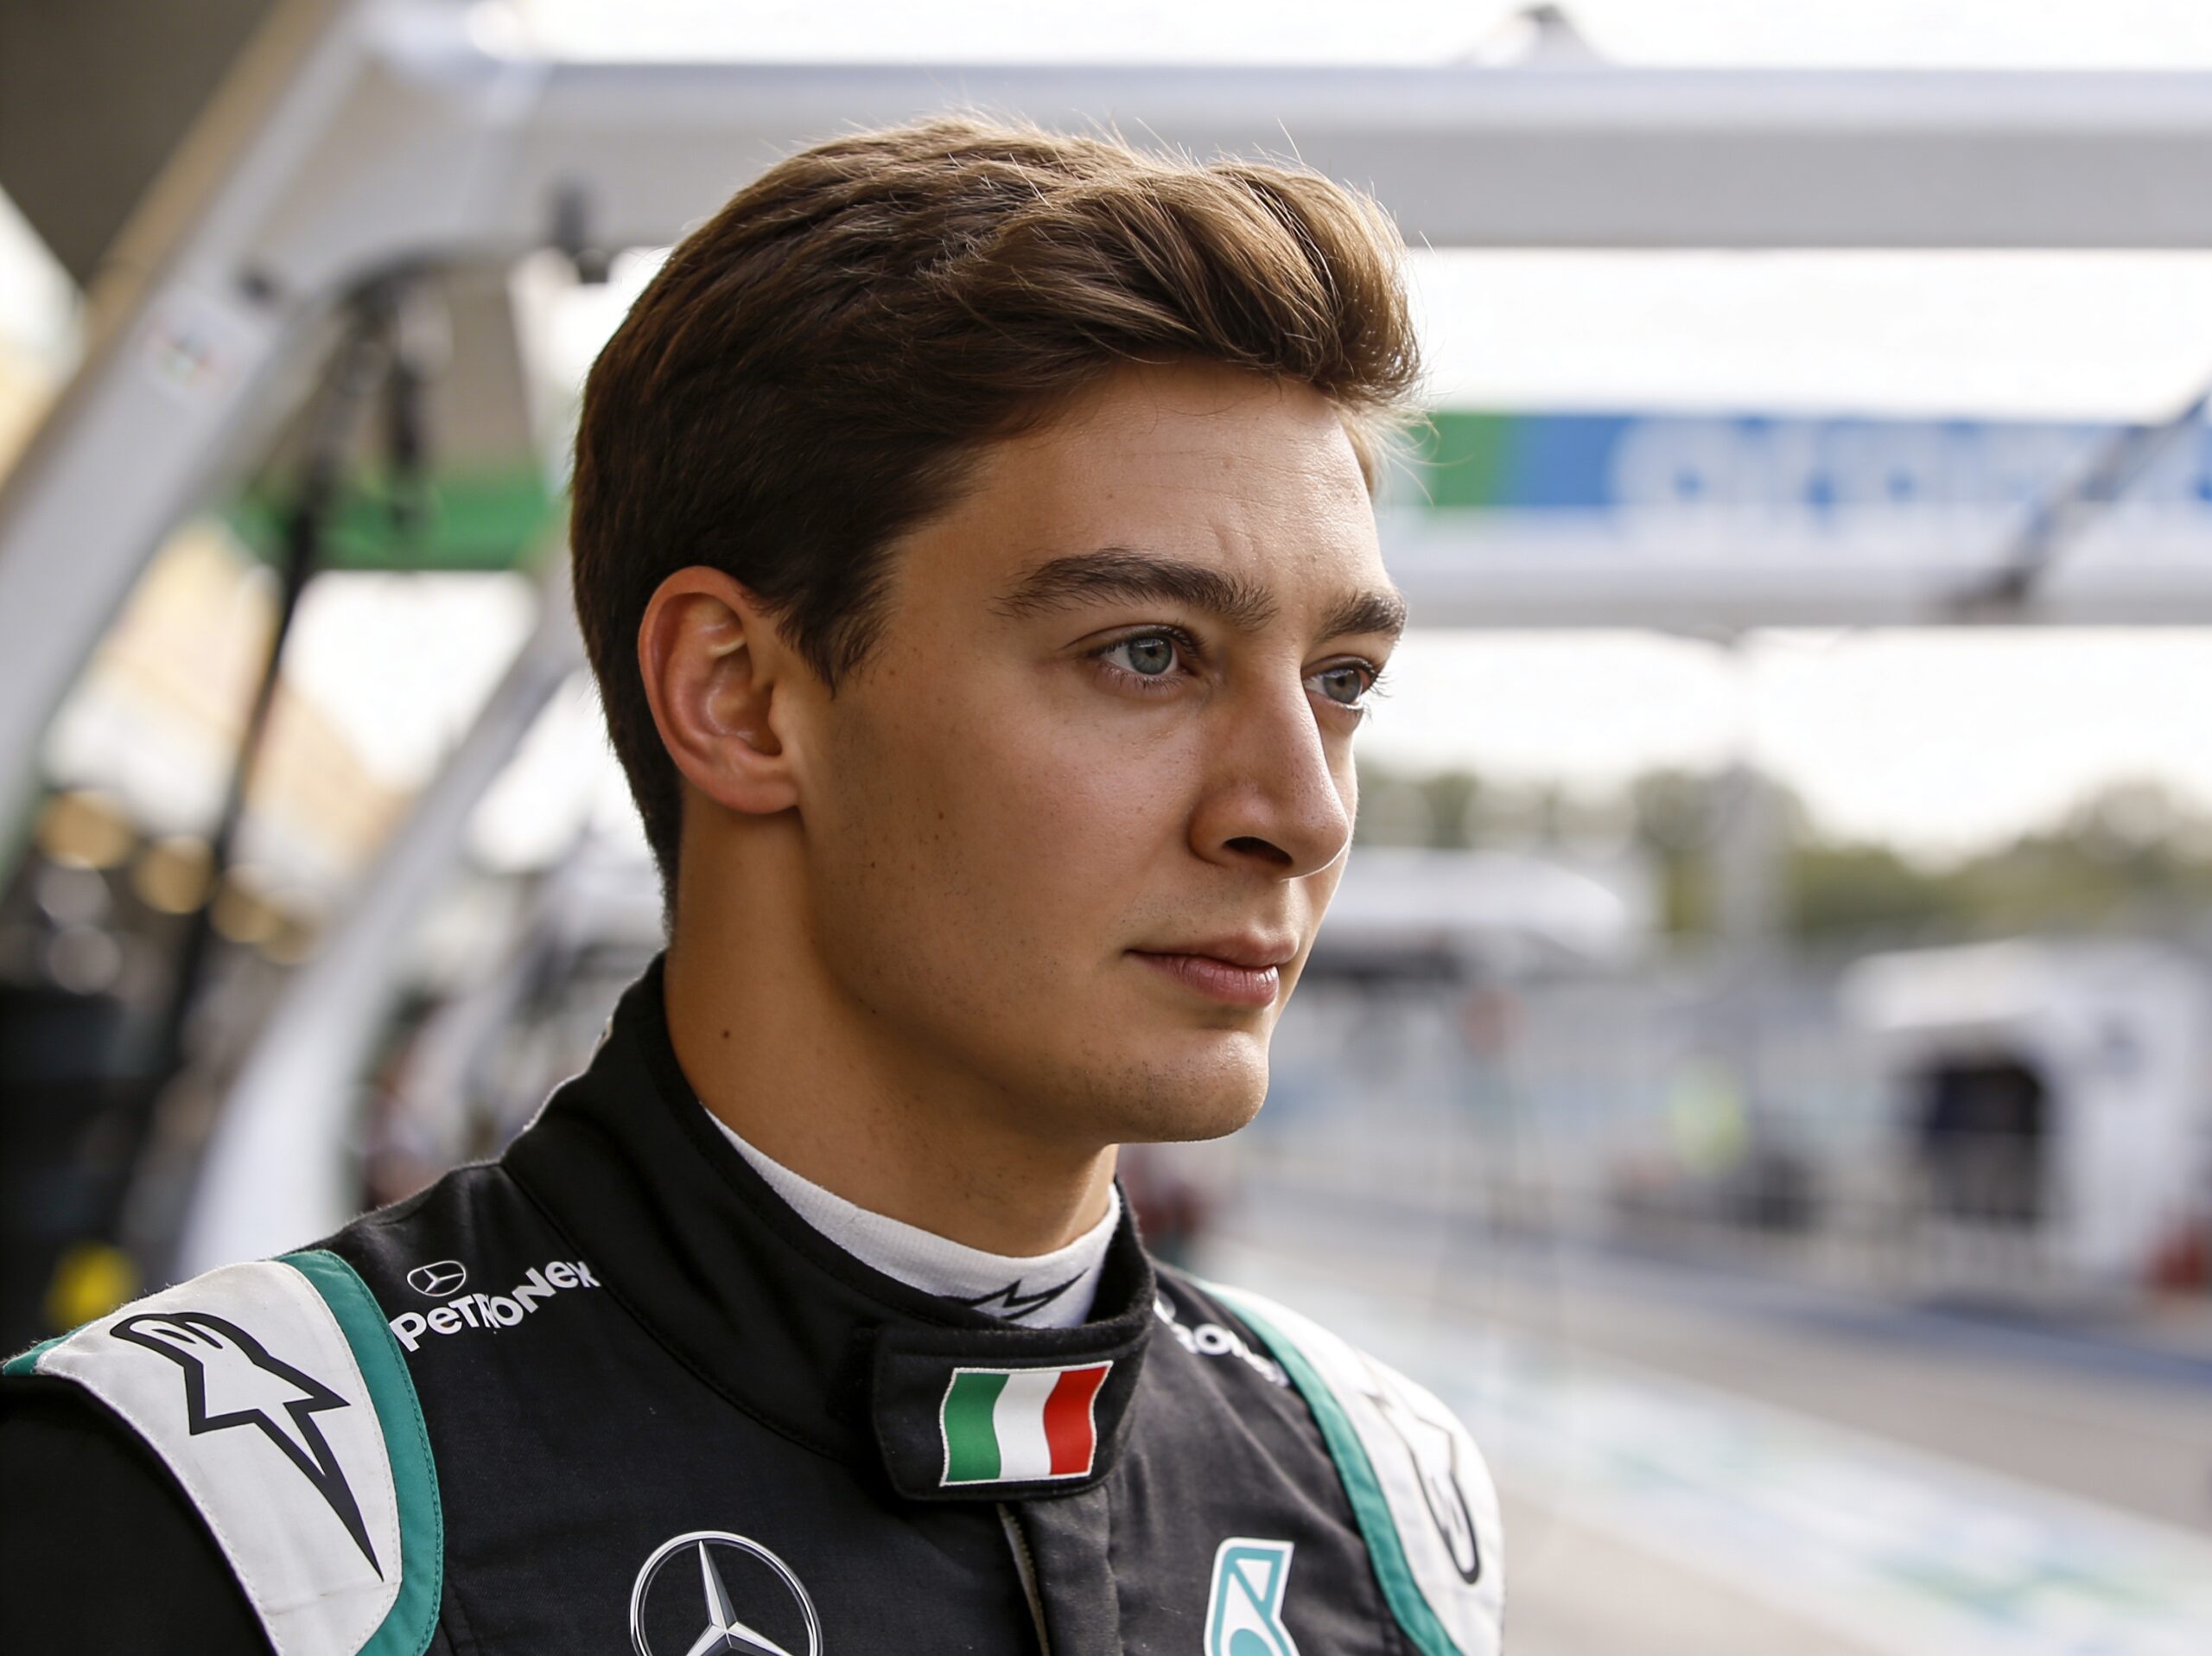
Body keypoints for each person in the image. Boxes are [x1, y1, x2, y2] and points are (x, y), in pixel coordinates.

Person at [0, 117, 1504, 1655]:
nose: (1303, 814)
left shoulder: (1388, 1504)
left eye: (1340, 679)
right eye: (1146, 653)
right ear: (738, 696)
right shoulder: (205, 1521)